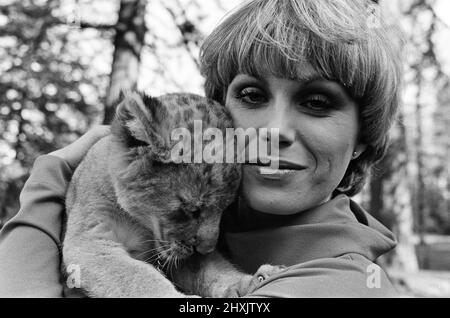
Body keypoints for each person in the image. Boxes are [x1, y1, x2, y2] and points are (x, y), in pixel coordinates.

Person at [0, 0, 403, 297]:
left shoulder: (350, 286)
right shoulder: (199, 181)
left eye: (318, 102)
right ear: (218, 110)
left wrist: (46, 185)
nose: (274, 131)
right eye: (251, 94)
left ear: (362, 139)